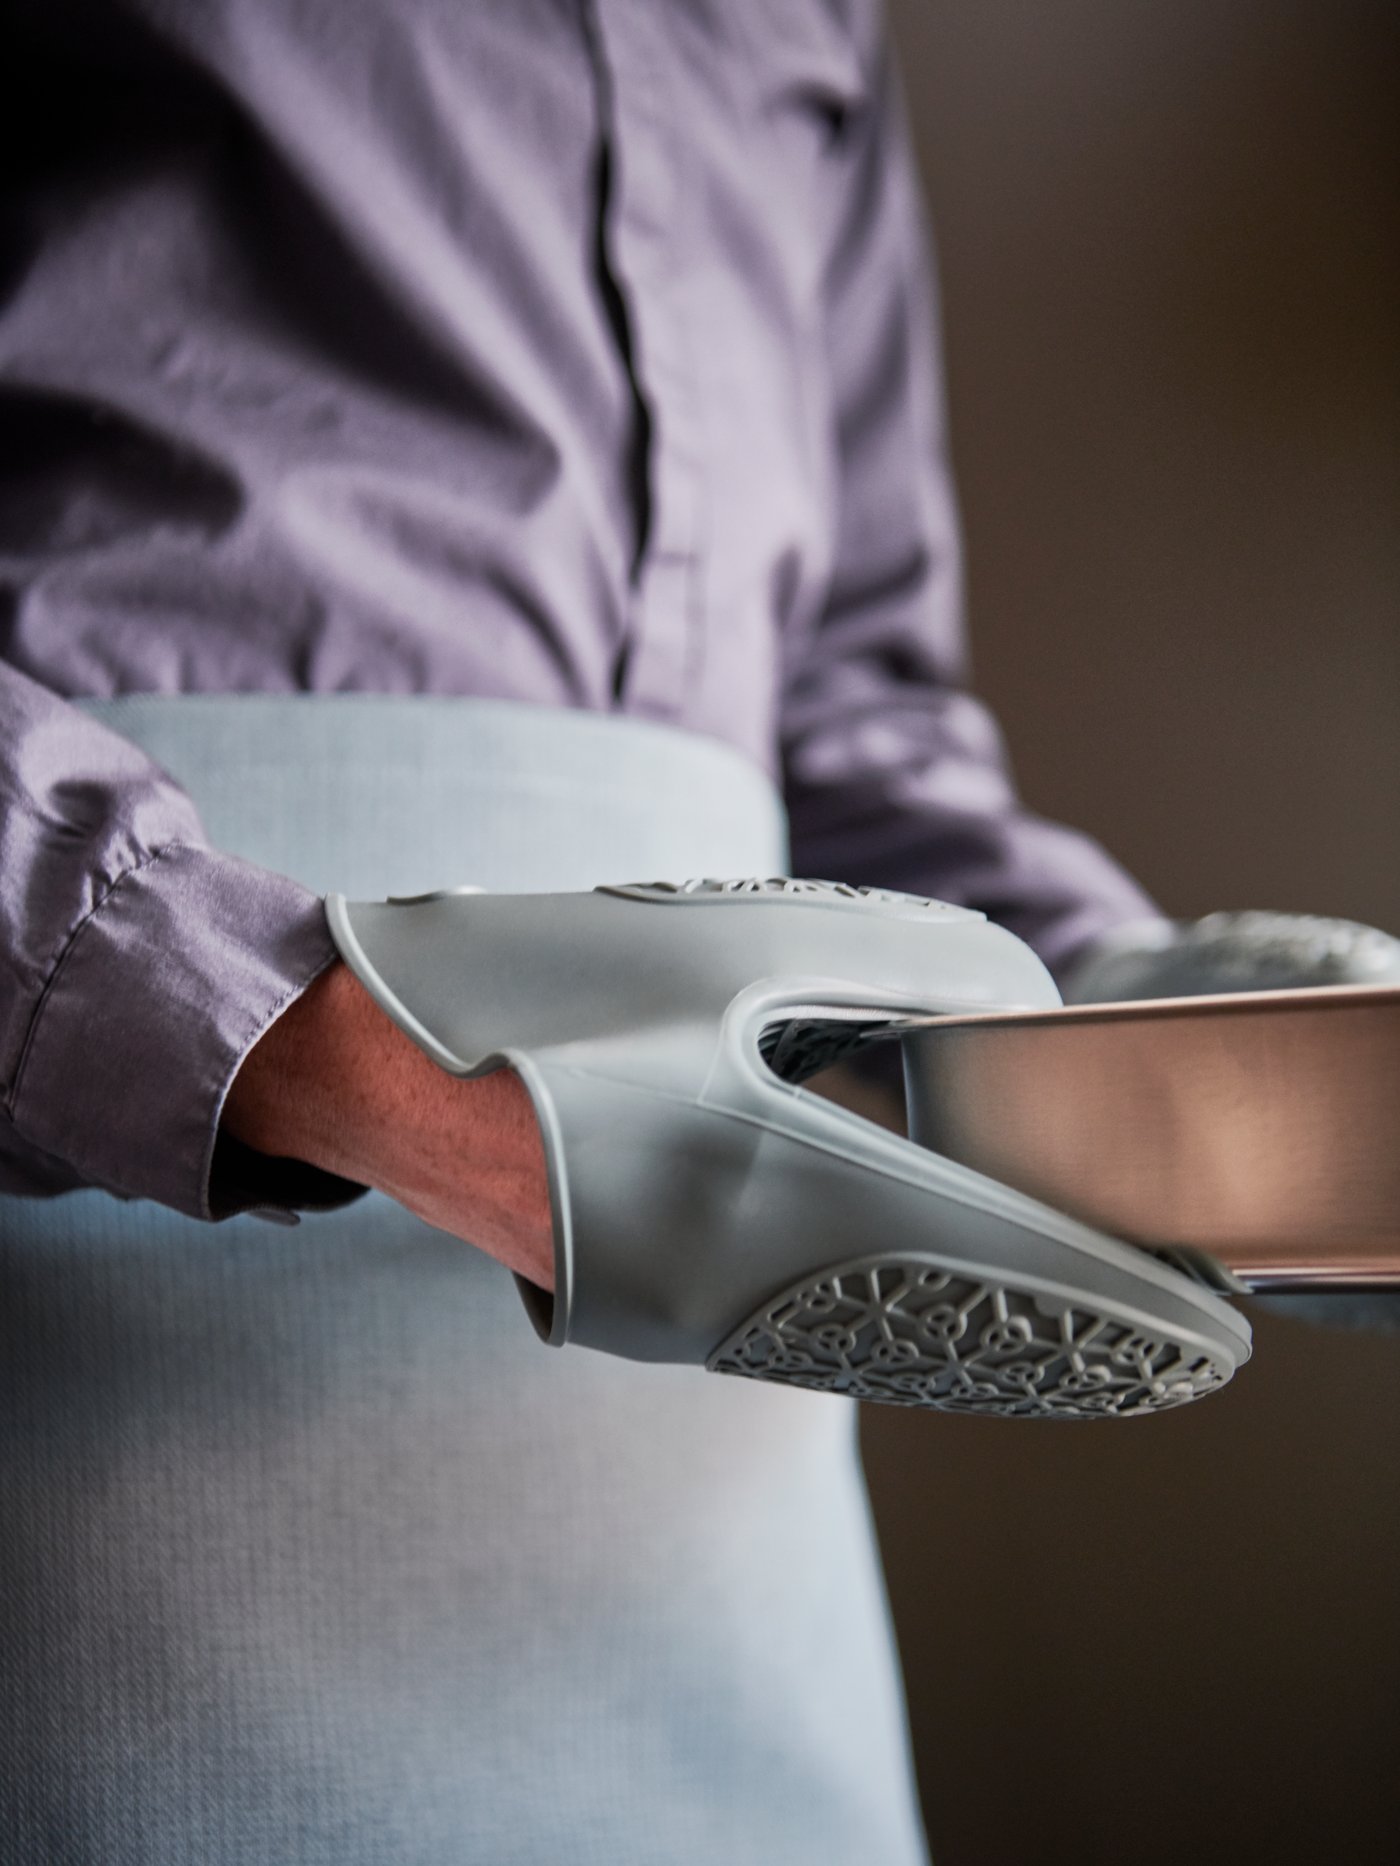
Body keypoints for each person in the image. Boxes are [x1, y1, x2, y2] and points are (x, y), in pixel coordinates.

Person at [2, 4, 1394, 1862]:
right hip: (122, 1286)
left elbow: (843, 723)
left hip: (714, 1442)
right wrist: (349, 1065)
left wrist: (1120, 1008)